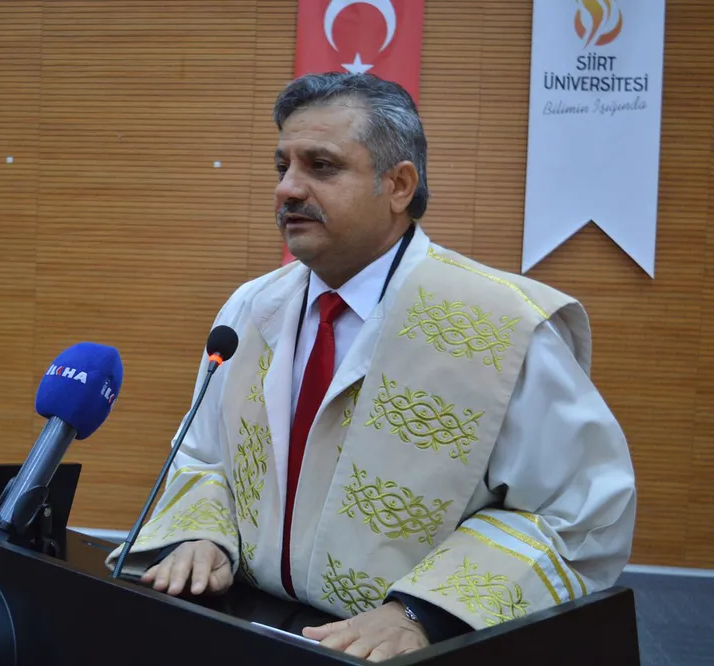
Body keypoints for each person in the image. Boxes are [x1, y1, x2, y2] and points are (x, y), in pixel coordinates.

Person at [106, 72, 636, 662]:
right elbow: (203, 455)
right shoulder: (252, 308)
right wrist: (201, 535)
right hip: (249, 626)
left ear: (399, 185)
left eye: (321, 166)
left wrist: (421, 612)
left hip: (406, 654)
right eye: (282, 165)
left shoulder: (502, 325)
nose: (287, 188)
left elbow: (579, 513)